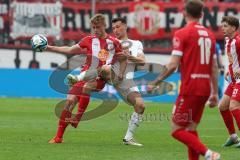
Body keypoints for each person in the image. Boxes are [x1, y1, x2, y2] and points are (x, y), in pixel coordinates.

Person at [148, 1, 220, 160]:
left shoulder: (182, 33)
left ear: (184, 13)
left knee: (176, 129)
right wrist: (215, 93)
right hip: (205, 88)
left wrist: (155, 82)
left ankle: (208, 154)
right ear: (201, 15)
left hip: (190, 88)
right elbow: (214, 67)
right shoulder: (210, 35)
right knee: (190, 128)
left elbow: (173, 65)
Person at [40, 14, 125, 143]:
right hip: (84, 75)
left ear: (104, 26)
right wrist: (48, 47)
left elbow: (123, 59)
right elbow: (69, 50)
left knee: (89, 84)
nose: (95, 30)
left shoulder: (114, 42)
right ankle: (58, 137)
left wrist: (120, 74)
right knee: (69, 102)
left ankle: (78, 117)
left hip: (100, 78)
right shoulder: (88, 40)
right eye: (93, 27)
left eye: (98, 27)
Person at [68, 17, 146, 146]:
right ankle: (78, 78)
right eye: (113, 27)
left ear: (125, 26)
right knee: (103, 69)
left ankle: (128, 138)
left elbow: (142, 61)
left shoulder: (136, 43)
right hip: (106, 75)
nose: (115, 30)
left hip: (124, 81)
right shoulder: (109, 42)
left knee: (140, 106)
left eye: (118, 27)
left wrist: (129, 56)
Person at [218, 15, 240, 148]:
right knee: (222, 107)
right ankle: (233, 137)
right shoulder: (227, 40)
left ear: (233, 27)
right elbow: (234, 60)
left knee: (234, 106)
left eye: (225, 26)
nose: (222, 28)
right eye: (222, 25)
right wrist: (230, 70)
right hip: (233, 79)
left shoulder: (238, 41)